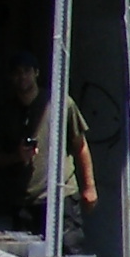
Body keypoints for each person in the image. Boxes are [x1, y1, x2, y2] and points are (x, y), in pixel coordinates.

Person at [8, 49, 96, 238]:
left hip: (62, 197)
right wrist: (18, 156)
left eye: (27, 71)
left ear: (36, 73)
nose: (22, 76)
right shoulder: (6, 112)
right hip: (25, 202)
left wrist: (89, 187)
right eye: (17, 72)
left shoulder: (61, 104)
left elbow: (80, 145)